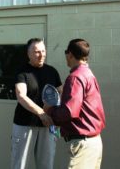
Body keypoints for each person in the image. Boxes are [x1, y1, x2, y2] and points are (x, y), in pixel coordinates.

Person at [45, 39, 105, 169]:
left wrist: (50, 110)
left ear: (70, 54)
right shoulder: (88, 74)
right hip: (94, 142)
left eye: (66, 52)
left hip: (83, 145)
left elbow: (69, 111)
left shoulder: (75, 77)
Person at [11, 38, 63, 169]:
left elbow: (60, 94)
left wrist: (56, 115)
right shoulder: (22, 72)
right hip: (25, 125)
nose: (41, 54)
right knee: (20, 165)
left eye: (43, 51)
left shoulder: (52, 71)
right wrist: (41, 113)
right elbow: (21, 96)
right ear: (28, 54)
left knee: (46, 165)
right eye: (37, 52)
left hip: (48, 127)